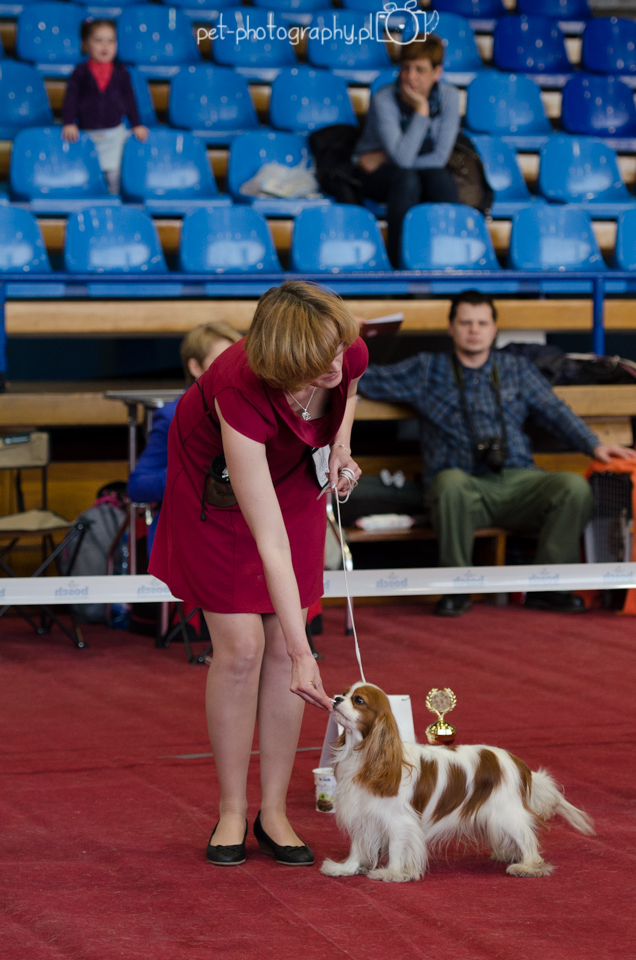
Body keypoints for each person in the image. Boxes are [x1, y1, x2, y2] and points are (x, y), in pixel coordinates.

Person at [149, 281, 367, 865]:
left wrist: (341, 445)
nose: (336, 363)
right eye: (319, 358)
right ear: (285, 358)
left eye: (337, 350)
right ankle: (231, 809)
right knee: (244, 646)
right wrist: (304, 651)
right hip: (216, 490)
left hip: (294, 480)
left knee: (282, 647)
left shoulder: (342, 348)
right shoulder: (237, 388)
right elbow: (269, 543)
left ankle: (273, 811)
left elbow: (352, 385)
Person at [358, 290, 636, 617]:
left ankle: (550, 587)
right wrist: (348, 342)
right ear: (451, 328)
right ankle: (455, 588)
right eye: (466, 323)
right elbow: (364, 378)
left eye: (481, 323)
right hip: (463, 488)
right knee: (448, 484)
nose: (474, 330)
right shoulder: (426, 369)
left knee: (572, 487)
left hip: (518, 482)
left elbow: (555, 411)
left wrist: (594, 445)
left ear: (494, 329)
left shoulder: (516, 368)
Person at [127, 321, 242, 554]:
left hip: (238, 536)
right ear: (195, 367)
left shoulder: (248, 410)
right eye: (220, 361)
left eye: (237, 360)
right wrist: (191, 472)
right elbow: (137, 486)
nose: (231, 369)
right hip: (187, 538)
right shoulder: (173, 415)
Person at [353, 33, 460, 268]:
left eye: (420, 70)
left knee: (441, 179)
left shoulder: (449, 97)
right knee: (407, 179)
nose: (411, 77)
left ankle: (452, 262)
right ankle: (399, 266)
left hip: (403, 166)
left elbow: (439, 158)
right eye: (405, 68)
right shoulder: (384, 99)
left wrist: (385, 156)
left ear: (437, 72)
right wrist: (422, 111)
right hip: (374, 175)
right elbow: (402, 160)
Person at [62, 19, 148, 195]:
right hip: (87, 135)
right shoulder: (80, 72)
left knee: (114, 174)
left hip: (114, 135)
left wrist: (136, 124)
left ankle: (114, 201)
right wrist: (68, 122)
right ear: (85, 44)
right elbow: (71, 99)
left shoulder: (121, 72)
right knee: (89, 173)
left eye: (110, 41)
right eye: (98, 40)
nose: (105, 46)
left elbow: (130, 100)